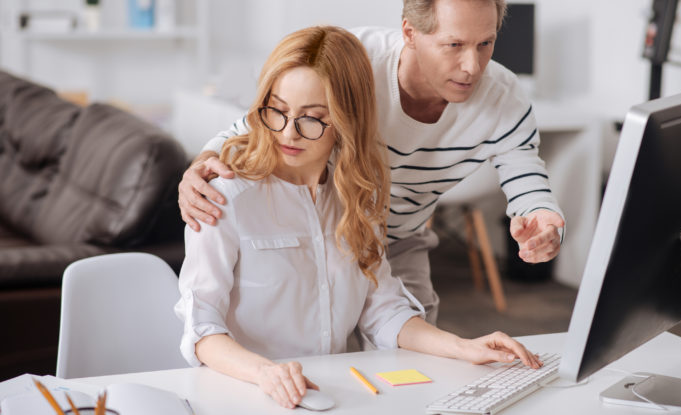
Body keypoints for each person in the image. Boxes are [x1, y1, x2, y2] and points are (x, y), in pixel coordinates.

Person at [174, 25, 543, 410]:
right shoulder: (223, 196)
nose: (289, 133)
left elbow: (382, 310)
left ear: (347, 120)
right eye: (277, 111)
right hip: (242, 394)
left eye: (313, 118)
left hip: (329, 394)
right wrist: (266, 373)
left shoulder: (358, 198)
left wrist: (463, 347)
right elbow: (201, 329)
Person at [177, 0, 565, 324]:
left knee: (415, 344)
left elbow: (525, 173)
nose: (472, 66)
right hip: (326, 229)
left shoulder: (504, 100)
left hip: (399, 238)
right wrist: (203, 163)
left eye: (486, 43)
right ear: (410, 33)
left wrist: (542, 218)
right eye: (454, 45)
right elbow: (269, 118)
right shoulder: (354, 59)